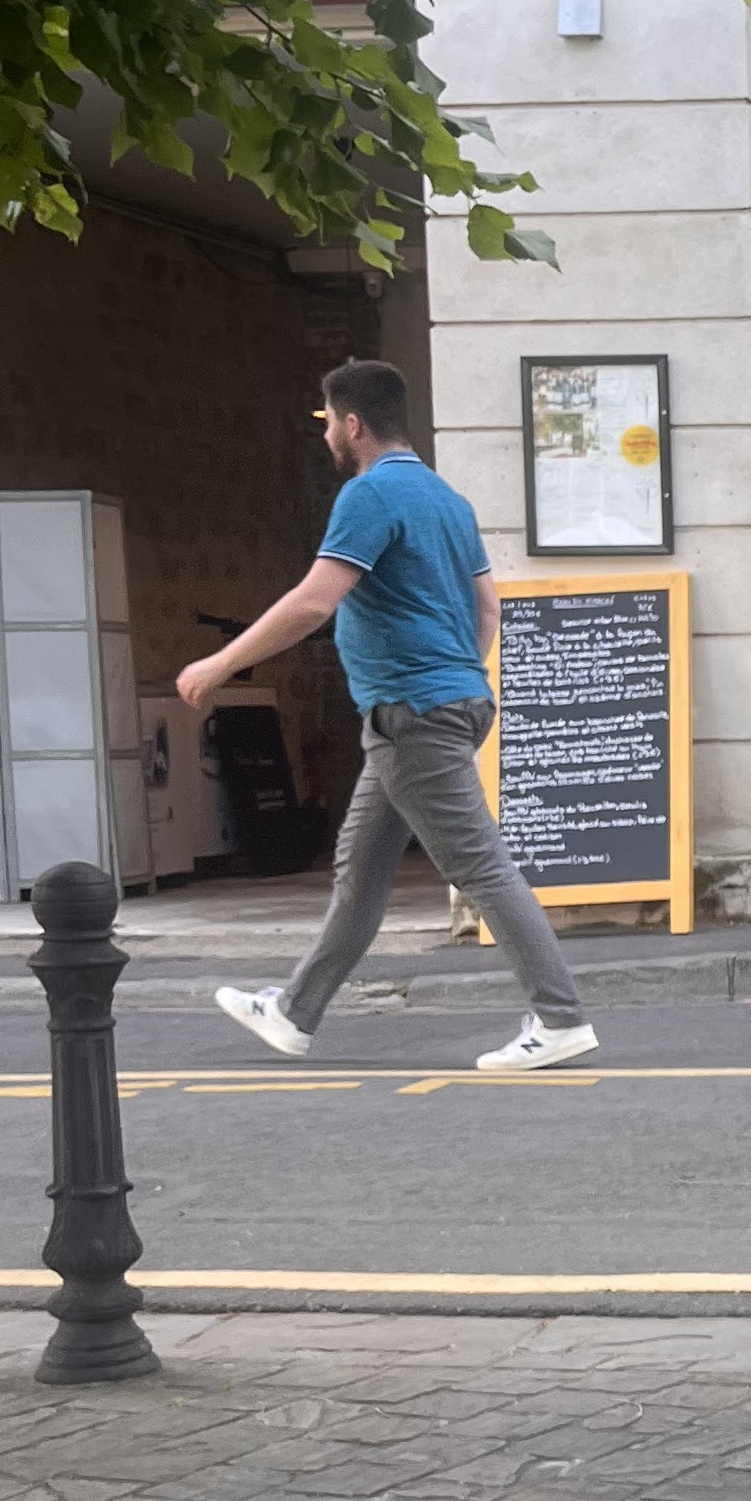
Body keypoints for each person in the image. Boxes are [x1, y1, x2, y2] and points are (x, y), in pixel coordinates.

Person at [178, 361, 597, 1070]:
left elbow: (315, 600)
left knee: (481, 868)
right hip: (434, 706)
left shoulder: (369, 494)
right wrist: (456, 675)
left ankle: (561, 1019)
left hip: (413, 712)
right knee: (363, 869)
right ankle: (294, 1012)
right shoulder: (447, 499)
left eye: (327, 422)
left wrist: (219, 665)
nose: (326, 437)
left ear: (353, 424)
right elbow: (488, 608)